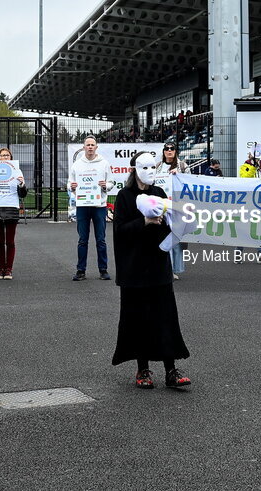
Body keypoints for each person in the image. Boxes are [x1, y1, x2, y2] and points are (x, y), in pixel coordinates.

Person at [111, 151, 191, 390]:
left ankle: (171, 370)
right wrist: (144, 222)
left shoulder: (159, 193)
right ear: (135, 169)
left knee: (165, 317)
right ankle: (142, 369)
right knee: (137, 319)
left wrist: (173, 221)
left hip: (158, 265)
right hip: (135, 268)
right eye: (145, 168)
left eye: (153, 168)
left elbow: (170, 225)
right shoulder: (124, 197)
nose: (150, 173)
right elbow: (120, 230)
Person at [68, 135, 111, 281]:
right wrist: (72, 187)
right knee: (82, 239)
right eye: (88, 145)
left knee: (101, 239)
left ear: (96, 147)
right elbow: (70, 183)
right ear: (84, 147)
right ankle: (81, 270)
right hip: (83, 205)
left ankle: (103, 270)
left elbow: (111, 182)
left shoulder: (104, 163)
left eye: (93, 144)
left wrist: (106, 185)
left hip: (99, 205)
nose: (90, 147)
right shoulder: (77, 165)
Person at [0, 147, 27, 280]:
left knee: (10, 241)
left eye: (7, 155)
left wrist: (22, 184)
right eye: (2, 155)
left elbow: (23, 194)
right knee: (0, 241)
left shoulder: (17, 171)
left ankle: (9, 270)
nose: (5, 157)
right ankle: (1, 268)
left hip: (12, 207)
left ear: (10, 158)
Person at [155, 142, 189, 280]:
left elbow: (189, 183)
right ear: (163, 152)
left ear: (175, 151)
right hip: (162, 207)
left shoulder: (182, 166)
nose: (169, 151)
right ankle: (165, 269)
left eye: (172, 149)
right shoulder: (158, 166)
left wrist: (179, 175)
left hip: (177, 206)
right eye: (166, 149)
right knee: (163, 238)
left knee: (176, 239)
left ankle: (175, 269)